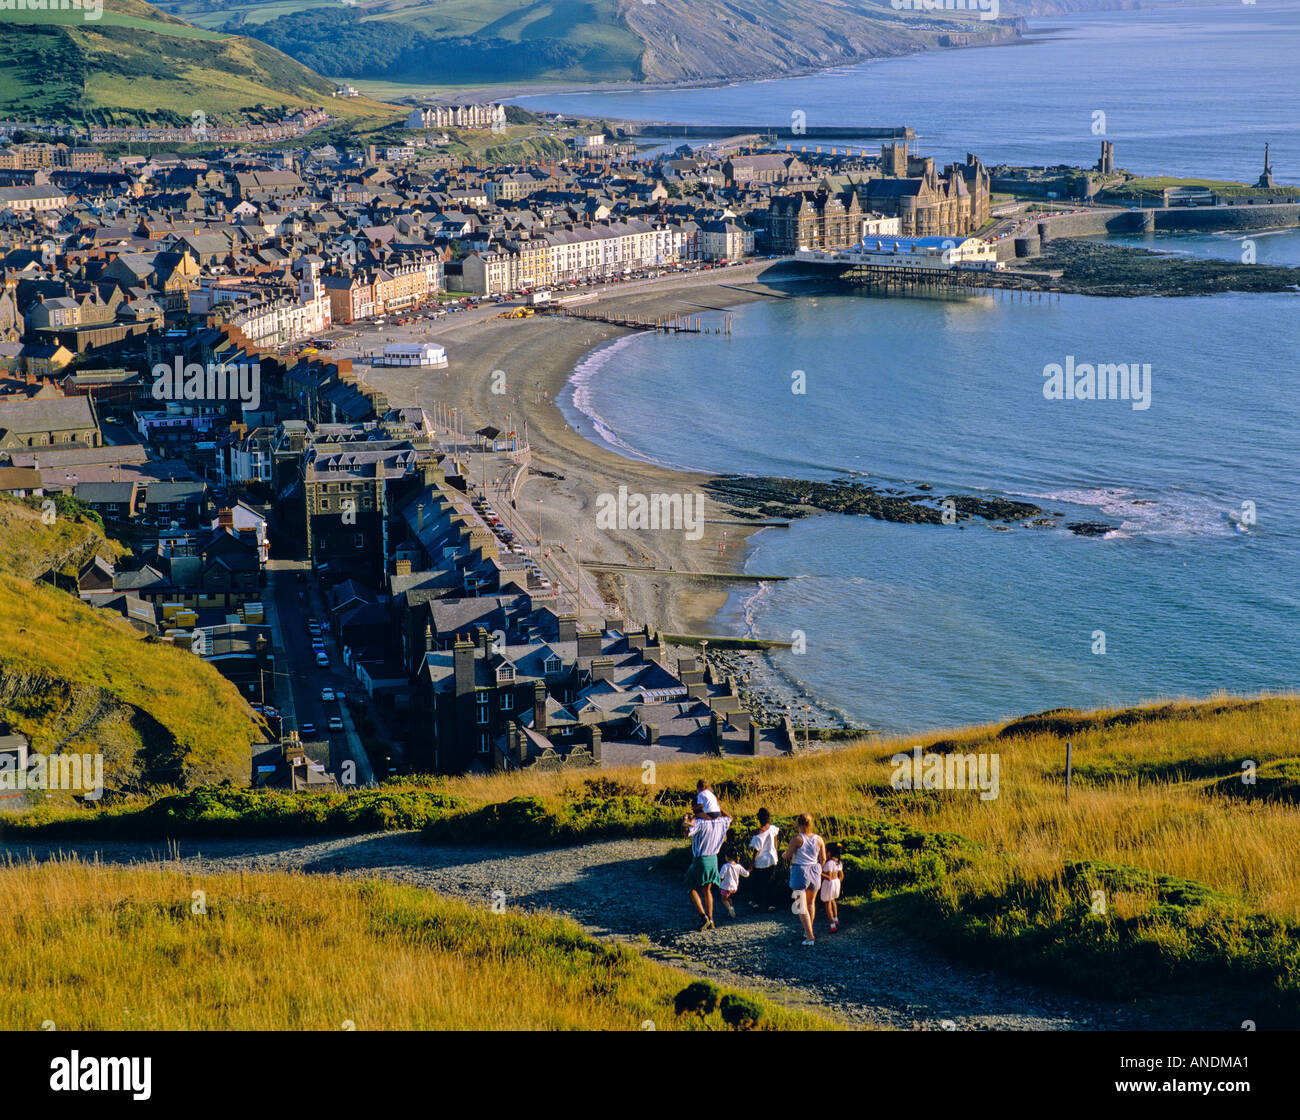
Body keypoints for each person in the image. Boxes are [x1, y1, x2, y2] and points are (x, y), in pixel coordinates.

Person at [682, 803, 731, 931]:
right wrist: (718, 806)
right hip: (713, 859)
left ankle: (703, 916)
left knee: (690, 886)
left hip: (700, 859)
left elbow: (685, 832)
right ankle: (711, 919)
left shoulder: (700, 823)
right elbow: (729, 817)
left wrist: (685, 820)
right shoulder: (721, 822)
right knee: (707, 890)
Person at [784, 813, 827, 947]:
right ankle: (808, 930)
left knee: (800, 905)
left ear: (798, 824)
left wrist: (783, 854)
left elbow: (788, 855)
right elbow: (823, 858)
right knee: (810, 903)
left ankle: (809, 936)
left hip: (800, 870)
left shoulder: (797, 839)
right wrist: (819, 869)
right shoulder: (819, 839)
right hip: (815, 870)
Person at [747, 808, 781, 912]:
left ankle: (756, 902)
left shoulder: (758, 833)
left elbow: (756, 850)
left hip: (761, 861)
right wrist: (776, 854)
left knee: (758, 882)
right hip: (772, 858)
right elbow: (775, 844)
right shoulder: (773, 828)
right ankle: (771, 904)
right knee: (771, 882)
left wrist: (751, 863)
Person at [820, 843, 844, 933]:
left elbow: (828, 877)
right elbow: (841, 875)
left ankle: (832, 925)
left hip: (828, 884)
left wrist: (819, 872)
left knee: (827, 904)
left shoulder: (829, 863)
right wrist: (838, 883)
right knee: (833, 900)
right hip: (836, 882)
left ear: (829, 853)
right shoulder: (838, 862)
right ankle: (836, 919)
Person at [718, 853, 749, 919]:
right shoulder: (738, 866)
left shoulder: (725, 866)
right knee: (729, 898)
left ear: (727, 857)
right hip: (734, 887)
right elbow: (746, 874)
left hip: (725, 887)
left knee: (724, 899)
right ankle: (731, 910)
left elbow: (721, 876)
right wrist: (749, 870)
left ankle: (730, 909)